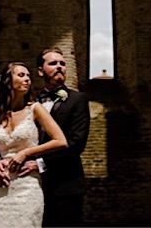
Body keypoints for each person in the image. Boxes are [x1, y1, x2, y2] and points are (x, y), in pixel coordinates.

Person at [0, 62, 68, 228]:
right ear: (9, 81)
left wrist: (26, 153)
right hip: (1, 187)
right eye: (21, 75)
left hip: (27, 186)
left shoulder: (35, 109)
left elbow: (60, 141)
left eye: (28, 76)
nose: (27, 80)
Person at [31, 48, 91, 227]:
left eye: (62, 64)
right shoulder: (33, 102)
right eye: (53, 63)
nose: (59, 67)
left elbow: (76, 143)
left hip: (66, 184)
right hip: (33, 184)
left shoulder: (77, 100)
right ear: (40, 71)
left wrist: (40, 163)